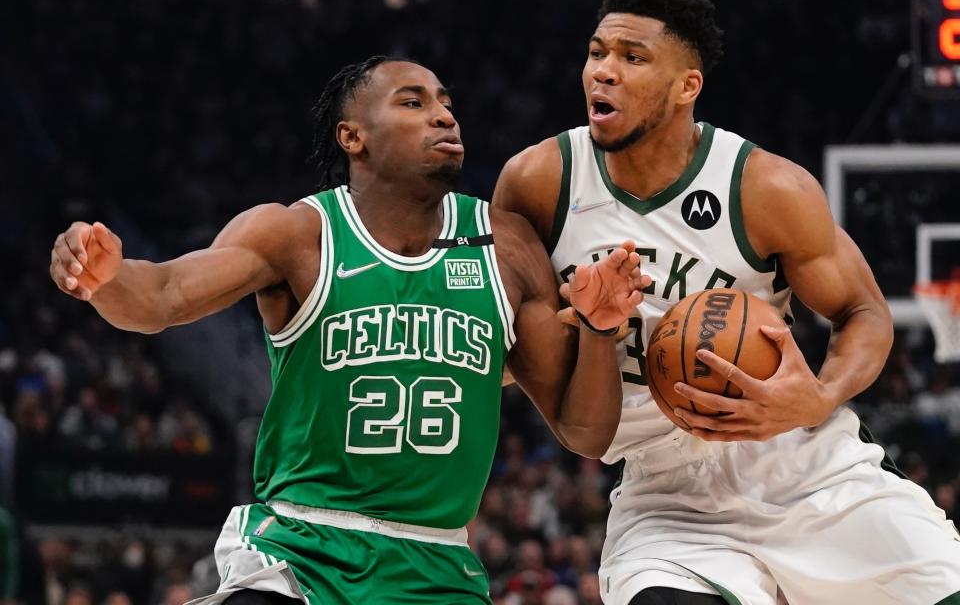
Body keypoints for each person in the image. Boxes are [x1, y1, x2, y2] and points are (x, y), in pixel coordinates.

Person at [48, 56, 650, 605]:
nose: (443, 114)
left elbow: (584, 431)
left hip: (437, 565)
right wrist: (102, 275)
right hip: (300, 552)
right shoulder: (298, 234)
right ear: (353, 136)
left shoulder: (508, 244)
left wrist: (600, 329)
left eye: (445, 101)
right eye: (413, 102)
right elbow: (162, 296)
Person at [493, 0, 960, 605]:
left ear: (688, 85)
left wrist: (817, 397)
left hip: (806, 473)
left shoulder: (766, 188)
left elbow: (863, 311)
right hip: (667, 500)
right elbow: (520, 350)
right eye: (598, 52)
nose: (603, 71)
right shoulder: (538, 182)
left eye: (632, 58)